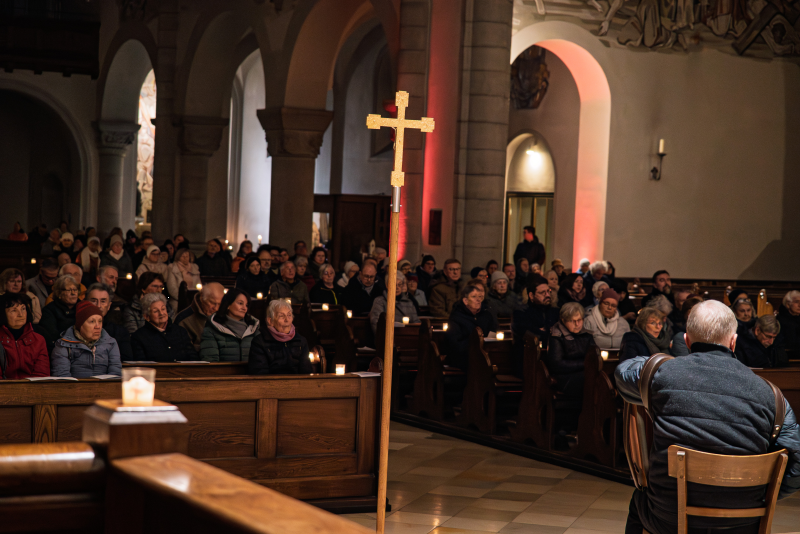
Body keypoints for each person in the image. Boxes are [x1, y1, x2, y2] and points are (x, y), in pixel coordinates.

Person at [616, 300, 800, 534]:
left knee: (639, 501)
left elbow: (623, 372)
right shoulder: (772, 395)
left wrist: (662, 362)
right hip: (742, 524)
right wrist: (767, 492)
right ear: (733, 341)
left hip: (668, 519)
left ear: (686, 341)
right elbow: (797, 461)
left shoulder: (663, 375)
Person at [546, 302, 596, 435]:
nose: (577, 324)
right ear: (563, 320)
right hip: (563, 377)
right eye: (573, 321)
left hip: (583, 373)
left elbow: (593, 357)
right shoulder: (556, 336)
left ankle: (593, 427)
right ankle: (569, 427)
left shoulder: (587, 335)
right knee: (588, 381)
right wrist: (584, 365)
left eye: (580, 320)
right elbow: (557, 364)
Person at [51, 300, 121, 377]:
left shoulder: (110, 343)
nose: (97, 326)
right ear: (80, 325)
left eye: (100, 321)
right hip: (75, 388)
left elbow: (115, 374)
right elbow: (62, 378)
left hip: (105, 388)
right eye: (92, 322)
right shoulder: (63, 345)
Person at [248, 299, 315, 375]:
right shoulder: (259, 342)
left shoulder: (301, 341)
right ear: (270, 321)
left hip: (297, 385)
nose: (287, 319)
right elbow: (259, 374)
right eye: (281, 316)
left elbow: (306, 372)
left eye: (289, 315)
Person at [512, 275, 560, 376]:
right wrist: (546, 332)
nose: (547, 295)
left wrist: (543, 331)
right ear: (531, 295)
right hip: (527, 361)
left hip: (551, 358)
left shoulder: (555, 312)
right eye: (542, 293)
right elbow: (530, 335)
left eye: (548, 291)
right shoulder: (521, 313)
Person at [445, 281, 497, 370]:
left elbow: (493, 332)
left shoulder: (486, 315)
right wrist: (475, 344)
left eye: (480, 297)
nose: (478, 300)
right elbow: (455, 344)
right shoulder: (457, 317)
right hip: (463, 358)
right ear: (465, 301)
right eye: (474, 297)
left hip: (485, 355)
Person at [131, 293, 196, 362]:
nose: (161, 313)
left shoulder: (180, 331)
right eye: (156, 311)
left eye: (163, 309)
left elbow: (193, 358)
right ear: (146, 317)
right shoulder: (139, 337)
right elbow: (141, 364)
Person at [199, 288, 260, 362]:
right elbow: (211, 362)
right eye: (240, 303)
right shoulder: (212, 330)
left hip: (251, 373)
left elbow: (261, 360)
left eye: (246, 305)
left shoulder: (254, 329)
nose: (245, 308)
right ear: (228, 305)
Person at [0, 293, 49, 378]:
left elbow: (41, 375)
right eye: (14, 310)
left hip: (33, 389)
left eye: (23, 309)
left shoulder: (38, 340)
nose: (21, 314)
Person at [85, 283, 132, 361]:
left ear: (109, 305)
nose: (98, 305)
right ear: (86, 303)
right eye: (94, 301)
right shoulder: (75, 329)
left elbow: (126, 359)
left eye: (103, 301)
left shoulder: (120, 332)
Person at [36, 274, 81, 351]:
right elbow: (52, 337)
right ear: (59, 293)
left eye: (75, 290)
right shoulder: (49, 310)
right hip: (60, 349)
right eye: (69, 290)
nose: (73, 293)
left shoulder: (83, 307)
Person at [175, 282, 224, 352]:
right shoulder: (184, 319)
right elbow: (181, 350)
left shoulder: (225, 314)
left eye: (220, 304)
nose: (216, 308)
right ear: (202, 298)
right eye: (212, 303)